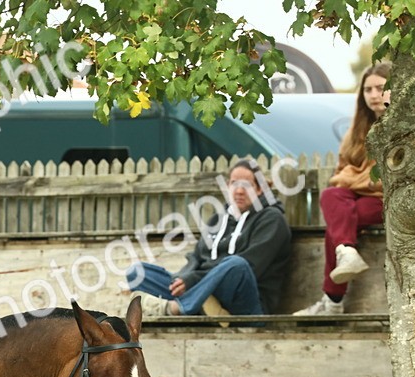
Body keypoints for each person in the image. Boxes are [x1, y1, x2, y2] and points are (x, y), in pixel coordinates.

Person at [125, 159, 293, 317]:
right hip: (202, 291)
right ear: (228, 186)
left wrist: (194, 280)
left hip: (244, 305)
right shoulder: (218, 219)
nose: (240, 190)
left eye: (247, 185)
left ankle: (178, 308)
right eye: (234, 183)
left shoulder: (272, 220)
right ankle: (204, 308)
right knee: (137, 272)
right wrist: (183, 278)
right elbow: (196, 257)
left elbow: (251, 267)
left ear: (260, 189)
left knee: (236, 264)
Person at [294, 62, 391, 316]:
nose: (373, 95)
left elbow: (383, 180)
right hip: (357, 200)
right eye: (367, 89)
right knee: (331, 196)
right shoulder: (357, 130)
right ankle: (346, 252)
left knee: (339, 223)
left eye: (379, 88)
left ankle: (332, 302)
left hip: (388, 202)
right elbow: (339, 176)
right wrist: (359, 179)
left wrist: (355, 179)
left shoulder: (403, 127)